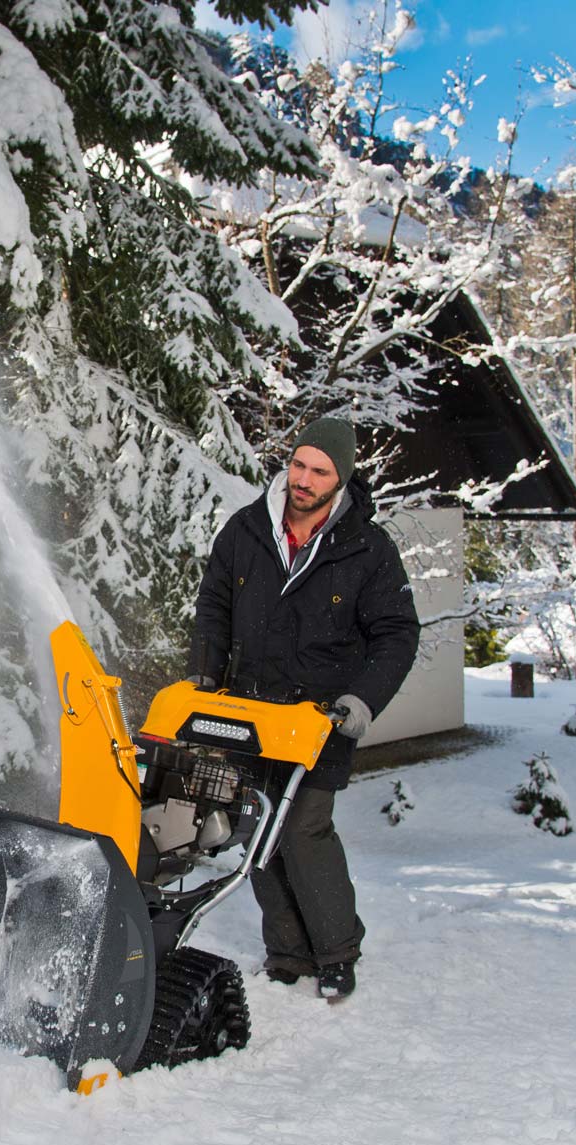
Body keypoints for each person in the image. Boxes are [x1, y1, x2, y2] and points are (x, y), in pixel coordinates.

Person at [189, 416, 420, 1001]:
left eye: (320, 471)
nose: (304, 479)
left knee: (303, 830)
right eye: (299, 464)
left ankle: (336, 953)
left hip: (320, 719)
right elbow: (214, 604)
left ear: (340, 479)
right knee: (259, 829)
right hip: (249, 712)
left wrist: (361, 699)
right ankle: (287, 952)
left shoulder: (366, 547)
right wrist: (207, 674)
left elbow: (397, 633)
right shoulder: (247, 529)